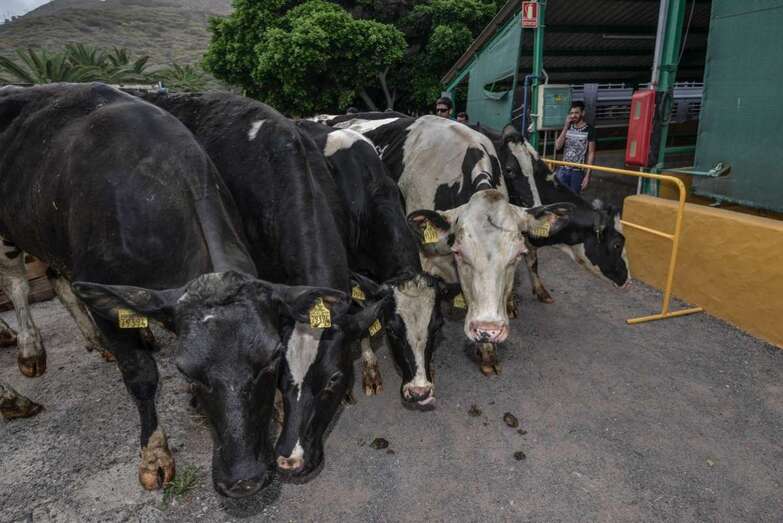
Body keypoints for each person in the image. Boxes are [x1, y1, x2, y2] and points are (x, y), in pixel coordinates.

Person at [554, 101, 596, 193]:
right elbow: (557, 146)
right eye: (571, 113)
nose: (573, 115)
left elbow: (591, 153)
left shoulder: (589, 129)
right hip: (563, 169)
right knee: (559, 196)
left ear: (583, 113)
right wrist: (566, 126)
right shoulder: (568, 127)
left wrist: (587, 176)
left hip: (577, 172)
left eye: (576, 113)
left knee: (574, 198)